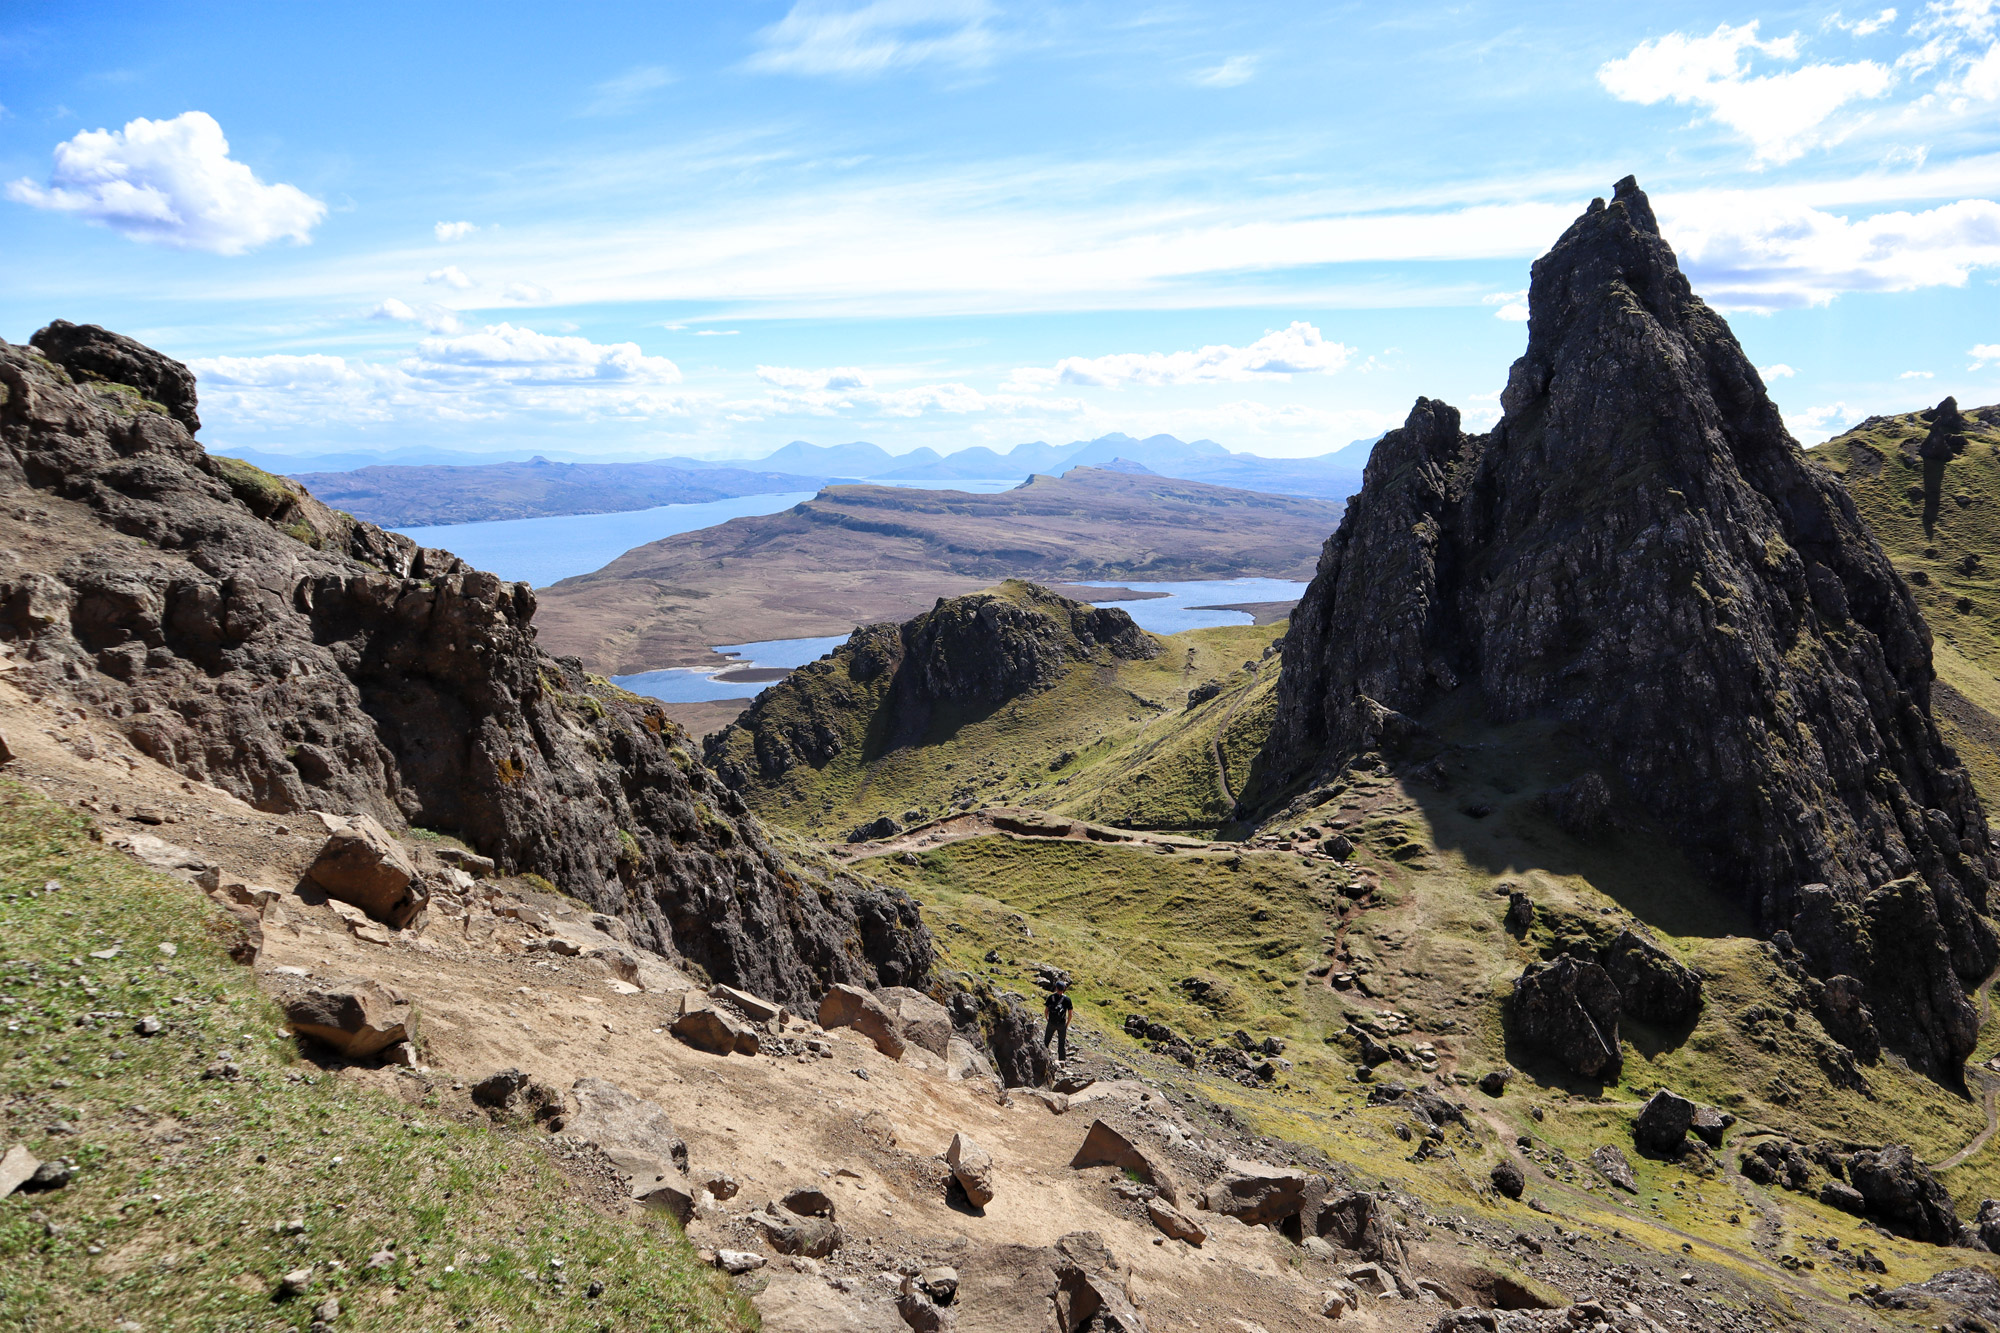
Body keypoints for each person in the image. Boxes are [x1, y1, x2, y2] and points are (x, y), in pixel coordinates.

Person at [1043, 980, 1073, 1063]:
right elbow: (1070, 1014)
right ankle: (1062, 1062)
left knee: (1046, 1041)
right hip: (1062, 1024)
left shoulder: (1050, 997)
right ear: (1064, 989)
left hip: (1051, 1023)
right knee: (1061, 1044)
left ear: (1056, 988)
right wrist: (1067, 1024)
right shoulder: (1067, 999)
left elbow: (1046, 1011)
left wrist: (1048, 1019)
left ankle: (1043, 1058)